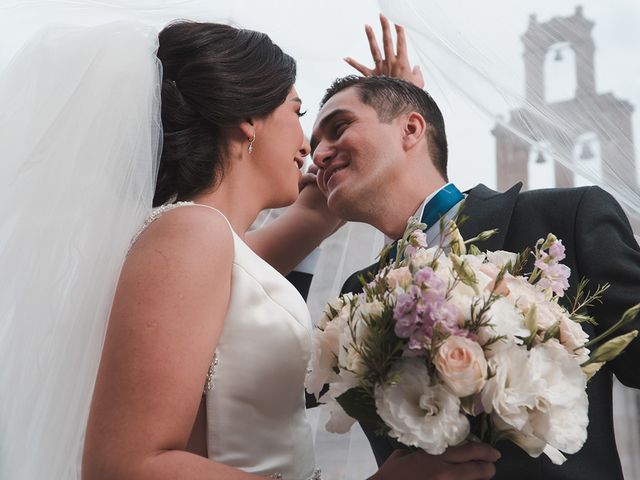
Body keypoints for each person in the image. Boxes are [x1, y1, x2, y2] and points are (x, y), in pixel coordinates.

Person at [0, 18, 500, 480]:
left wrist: (390, 125)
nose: (311, 148)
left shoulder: (208, 240)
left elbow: (312, 216)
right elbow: (124, 464)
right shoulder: (190, 233)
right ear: (247, 120)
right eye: (297, 112)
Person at [309, 25, 640, 480]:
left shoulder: (561, 219)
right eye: (312, 148)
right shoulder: (352, 297)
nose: (318, 156)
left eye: (338, 129)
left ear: (410, 128)